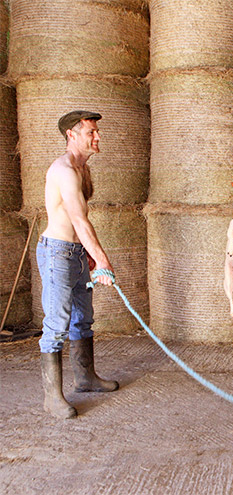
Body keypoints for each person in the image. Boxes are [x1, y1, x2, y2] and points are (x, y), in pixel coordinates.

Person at [37, 110, 119, 419]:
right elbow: (77, 219)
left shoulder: (82, 169)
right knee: (57, 324)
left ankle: (86, 378)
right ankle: (52, 398)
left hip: (75, 252)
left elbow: (81, 224)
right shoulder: (64, 170)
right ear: (72, 134)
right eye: (91, 133)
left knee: (83, 318)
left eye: (96, 132)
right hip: (57, 253)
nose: (97, 137)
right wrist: (102, 259)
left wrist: (88, 254)